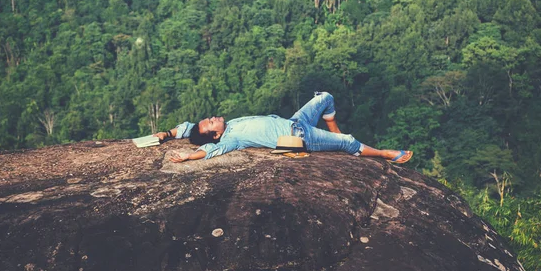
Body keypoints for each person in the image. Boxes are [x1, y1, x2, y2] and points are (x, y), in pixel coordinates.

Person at [154, 92, 413, 164]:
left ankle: (333, 134)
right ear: (216, 133)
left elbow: (188, 129)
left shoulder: (228, 125)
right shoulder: (229, 140)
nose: (212, 117)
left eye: (209, 118)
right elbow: (209, 151)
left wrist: (166, 134)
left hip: (295, 122)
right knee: (348, 140)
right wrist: (188, 156)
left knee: (324, 98)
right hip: (298, 136)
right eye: (211, 122)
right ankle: (384, 155)